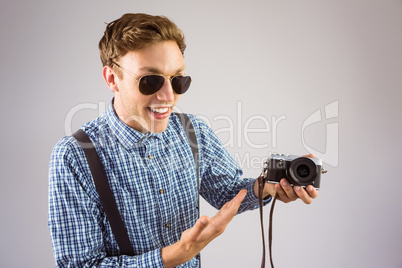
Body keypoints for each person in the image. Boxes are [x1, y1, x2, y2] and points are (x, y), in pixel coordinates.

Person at [48, 13, 318, 267]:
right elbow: (81, 264)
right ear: (112, 78)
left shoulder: (193, 131)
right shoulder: (75, 156)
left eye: (177, 80)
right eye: (150, 80)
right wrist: (175, 256)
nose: (168, 96)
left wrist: (269, 187)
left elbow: (227, 190)